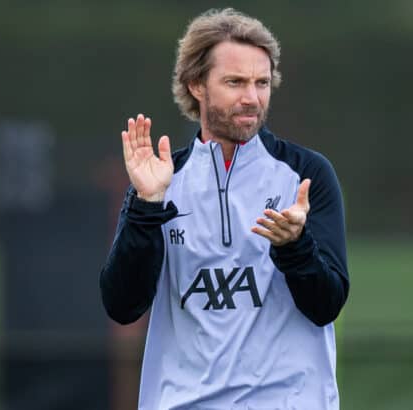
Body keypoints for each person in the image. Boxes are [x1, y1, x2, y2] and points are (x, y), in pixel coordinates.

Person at [100, 8, 349, 410]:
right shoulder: (162, 179)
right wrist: (146, 206)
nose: (252, 98)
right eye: (235, 82)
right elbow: (122, 306)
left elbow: (327, 305)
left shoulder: (305, 175)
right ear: (196, 84)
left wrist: (294, 246)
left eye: (262, 83)